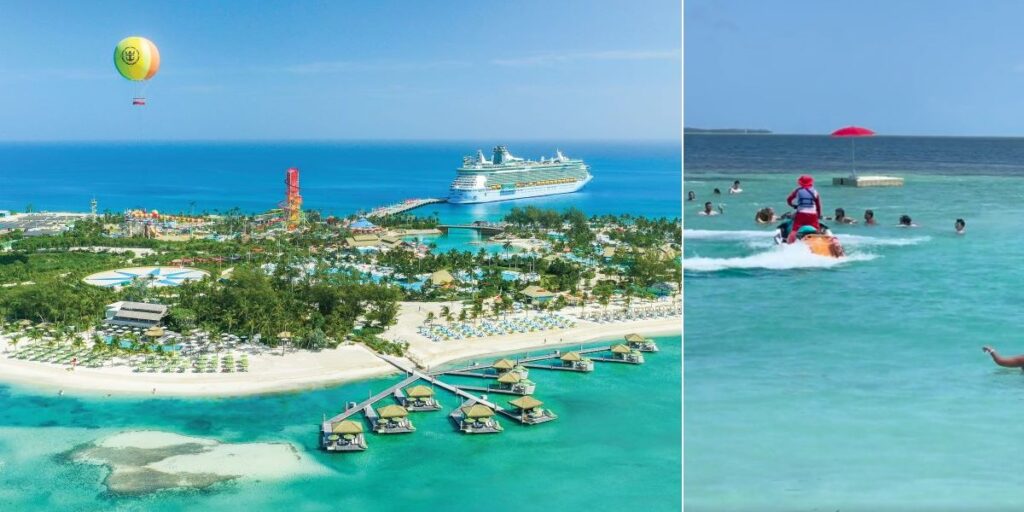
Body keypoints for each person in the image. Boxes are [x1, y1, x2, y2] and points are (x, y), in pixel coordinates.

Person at [785, 175, 822, 243]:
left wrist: (793, 205)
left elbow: (788, 200)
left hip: (801, 214)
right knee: (817, 229)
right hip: (813, 214)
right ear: (811, 182)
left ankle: (790, 243)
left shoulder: (798, 191)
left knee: (795, 230)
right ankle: (820, 242)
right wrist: (818, 215)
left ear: (800, 183)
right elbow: (818, 206)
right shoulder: (815, 191)